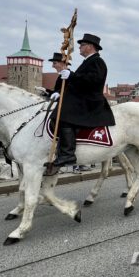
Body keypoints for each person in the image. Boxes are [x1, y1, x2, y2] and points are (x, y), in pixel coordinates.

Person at [45, 34, 116, 174]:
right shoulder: (88, 62)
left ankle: (67, 153)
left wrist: (72, 75)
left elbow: (93, 81)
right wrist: (59, 92)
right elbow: (78, 83)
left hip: (91, 101)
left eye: (82, 45)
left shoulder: (97, 61)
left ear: (90, 46)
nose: (79, 47)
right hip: (83, 98)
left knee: (65, 114)